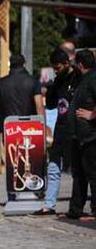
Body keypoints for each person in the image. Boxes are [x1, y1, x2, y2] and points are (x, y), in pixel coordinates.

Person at [32, 49, 81, 216]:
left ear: (67, 64)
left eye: (58, 68)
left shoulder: (78, 78)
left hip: (76, 129)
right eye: (54, 68)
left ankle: (77, 207)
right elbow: (52, 104)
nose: (56, 71)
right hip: (60, 129)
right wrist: (54, 84)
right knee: (53, 167)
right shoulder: (58, 81)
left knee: (77, 170)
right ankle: (49, 204)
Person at [61, 49, 96, 221]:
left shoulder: (93, 79)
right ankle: (75, 209)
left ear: (81, 64)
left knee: (93, 174)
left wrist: (92, 115)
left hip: (91, 135)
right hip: (79, 136)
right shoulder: (81, 79)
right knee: (79, 173)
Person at [0, 54, 45, 133]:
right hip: (30, 128)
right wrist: (42, 128)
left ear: (10, 64)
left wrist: (1, 127)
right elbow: (39, 107)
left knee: (11, 145)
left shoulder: (0, 84)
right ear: (24, 64)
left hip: (9, 128)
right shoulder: (33, 82)